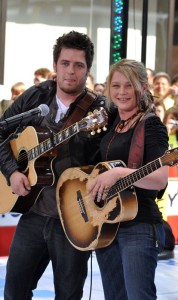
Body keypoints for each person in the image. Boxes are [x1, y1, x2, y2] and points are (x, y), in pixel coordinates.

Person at [0, 30, 107, 300]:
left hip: (72, 220)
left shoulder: (99, 110)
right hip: (32, 213)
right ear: (56, 66)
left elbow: (107, 163)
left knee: (68, 295)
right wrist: (12, 171)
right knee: (14, 292)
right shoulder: (37, 97)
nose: (71, 71)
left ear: (87, 70)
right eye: (65, 63)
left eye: (78, 65)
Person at [87, 59, 169, 300]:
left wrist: (120, 173)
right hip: (108, 224)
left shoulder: (151, 125)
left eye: (129, 86)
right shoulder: (115, 122)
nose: (121, 92)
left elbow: (160, 179)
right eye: (116, 86)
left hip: (140, 225)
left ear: (143, 89)